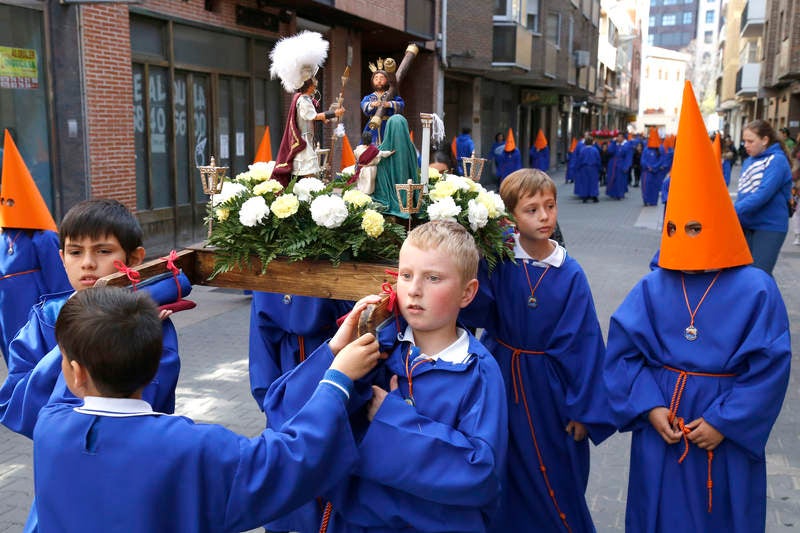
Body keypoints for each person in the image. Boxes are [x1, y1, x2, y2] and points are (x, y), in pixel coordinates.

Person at [33, 286, 383, 533]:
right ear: (156, 366)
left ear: (75, 372)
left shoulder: (50, 427)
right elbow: (292, 455)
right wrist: (336, 378)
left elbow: (71, 382)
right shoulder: (193, 448)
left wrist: (332, 350)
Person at [604, 81, 791, 533]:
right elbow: (624, 354)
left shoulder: (756, 289)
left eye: (695, 228)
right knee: (657, 510)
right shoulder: (654, 285)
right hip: (662, 422)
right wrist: (649, 407)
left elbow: (769, 367)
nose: (687, 240)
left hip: (721, 426)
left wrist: (726, 422)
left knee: (720, 512)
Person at [264, 220, 509, 532]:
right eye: (405, 276)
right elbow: (287, 415)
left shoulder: (477, 370)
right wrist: (335, 353)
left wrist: (393, 418)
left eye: (433, 278)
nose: (415, 290)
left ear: (467, 292)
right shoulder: (380, 350)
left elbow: (479, 475)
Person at [461, 169, 614, 532]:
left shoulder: (569, 272)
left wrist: (584, 410)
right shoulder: (499, 261)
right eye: (531, 210)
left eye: (550, 206)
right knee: (505, 462)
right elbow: (475, 308)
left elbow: (586, 344)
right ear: (510, 216)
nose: (544, 217)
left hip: (551, 389)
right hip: (500, 375)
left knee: (556, 468)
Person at [0, 129, 70, 359]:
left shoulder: (42, 238)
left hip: (37, 321)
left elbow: (60, 286)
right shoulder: (2, 238)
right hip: (8, 321)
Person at [271, 31, 345, 185]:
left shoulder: (302, 99)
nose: (315, 87)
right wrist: (333, 113)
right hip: (303, 140)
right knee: (308, 174)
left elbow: (316, 117)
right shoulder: (303, 100)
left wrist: (329, 115)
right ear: (308, 86)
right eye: (313, 85)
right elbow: (314, 116)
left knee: (308, 174)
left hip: (307, 138)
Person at [734, 119, 793, 275]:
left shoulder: (777, 160)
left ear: (765, 140)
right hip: (746, 224)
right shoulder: (748, 161)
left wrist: (731, 211)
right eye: (744, 141)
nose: (746, 145)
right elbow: (743, 193)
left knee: (759, 276)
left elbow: (763, 194)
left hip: (769, 226)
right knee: (746, 275)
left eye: (750, 141)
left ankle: (771, 300)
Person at [372, 114, 420, 218]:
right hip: (409, 197)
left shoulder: (382, 148)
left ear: (388, 128)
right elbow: (414, 169)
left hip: (387, 196)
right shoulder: (410, 146)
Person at [361, 63, 404, 145]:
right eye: (376, 78)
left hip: (389, 124)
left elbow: (401, 104)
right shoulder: (369, 97)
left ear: (387, 80)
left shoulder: (391, 95)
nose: (379, 81)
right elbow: (363, 105)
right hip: (373, 125)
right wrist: (372, 104)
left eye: (382, 78)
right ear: (372, 81)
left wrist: (389, 104)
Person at [640, 128, 664, 206]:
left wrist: (653, 167)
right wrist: (647, 166)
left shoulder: (660, 149)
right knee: (645, 186)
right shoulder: (646, 149)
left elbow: (661, 161)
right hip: (646, 172)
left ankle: (653, 201)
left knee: (654, 187)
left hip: (655, 173)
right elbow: (643, 159)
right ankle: (646, 200)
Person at [606, 132, 632, 199]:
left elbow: (629, 156)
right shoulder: (615, 144)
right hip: (613, 163)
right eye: (618, 137)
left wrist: (627, 166)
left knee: (620, 179)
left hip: (622, 163)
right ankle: (612, 193)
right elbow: (610, 151)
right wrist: (613, 142)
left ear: (623, 138)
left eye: (620, 137)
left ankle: (620, 193)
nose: (618, 138)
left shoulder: (627, 145)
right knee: (612, 178)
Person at [574, 134, 600, 203]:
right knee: (593, 182)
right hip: (593, 168)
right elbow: (598, 159)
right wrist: (599, 168)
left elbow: (579, 160)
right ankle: (594, 196)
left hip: (584, 168)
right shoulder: (595, 150)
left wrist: (577, 168)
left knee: (584, 182)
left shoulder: (582, 150)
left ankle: (585, 197)